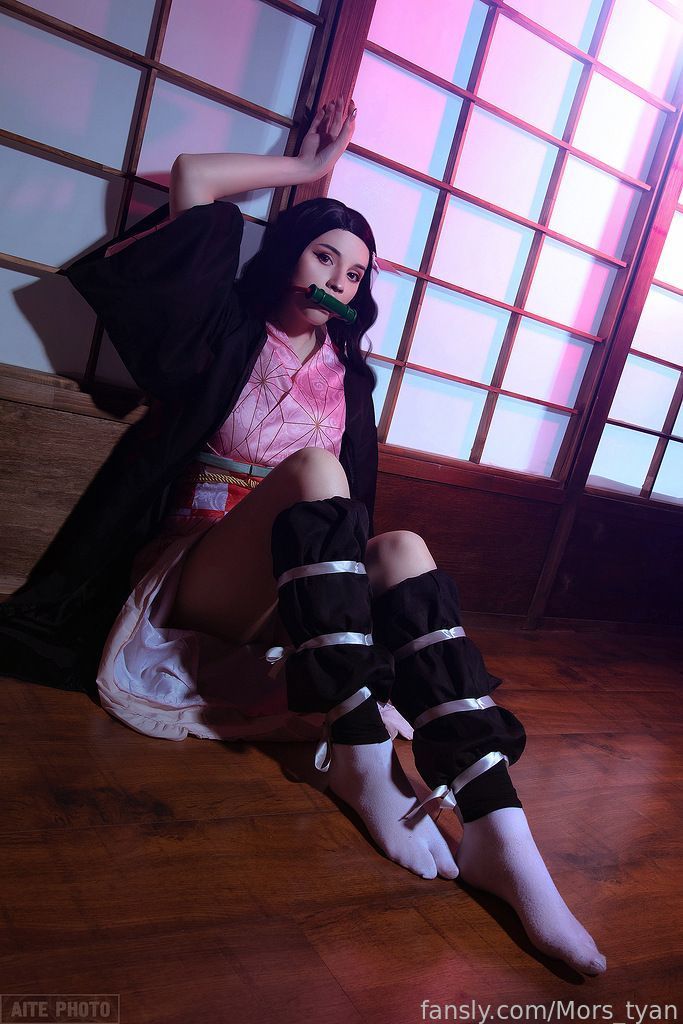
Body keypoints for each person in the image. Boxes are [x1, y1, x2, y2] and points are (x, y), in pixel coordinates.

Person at [0, 97, 605, 977]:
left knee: (402, 548)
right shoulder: (225, 332)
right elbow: (194, 180)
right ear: (288, 256)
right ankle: (358, 752)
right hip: (197, 572)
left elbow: (354, 529)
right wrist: (308, 168)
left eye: (356, 273)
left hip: (295, 606)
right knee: (319, 473)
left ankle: (497, 828)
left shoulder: (347, 380)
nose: (339, 280)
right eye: (325, 255)